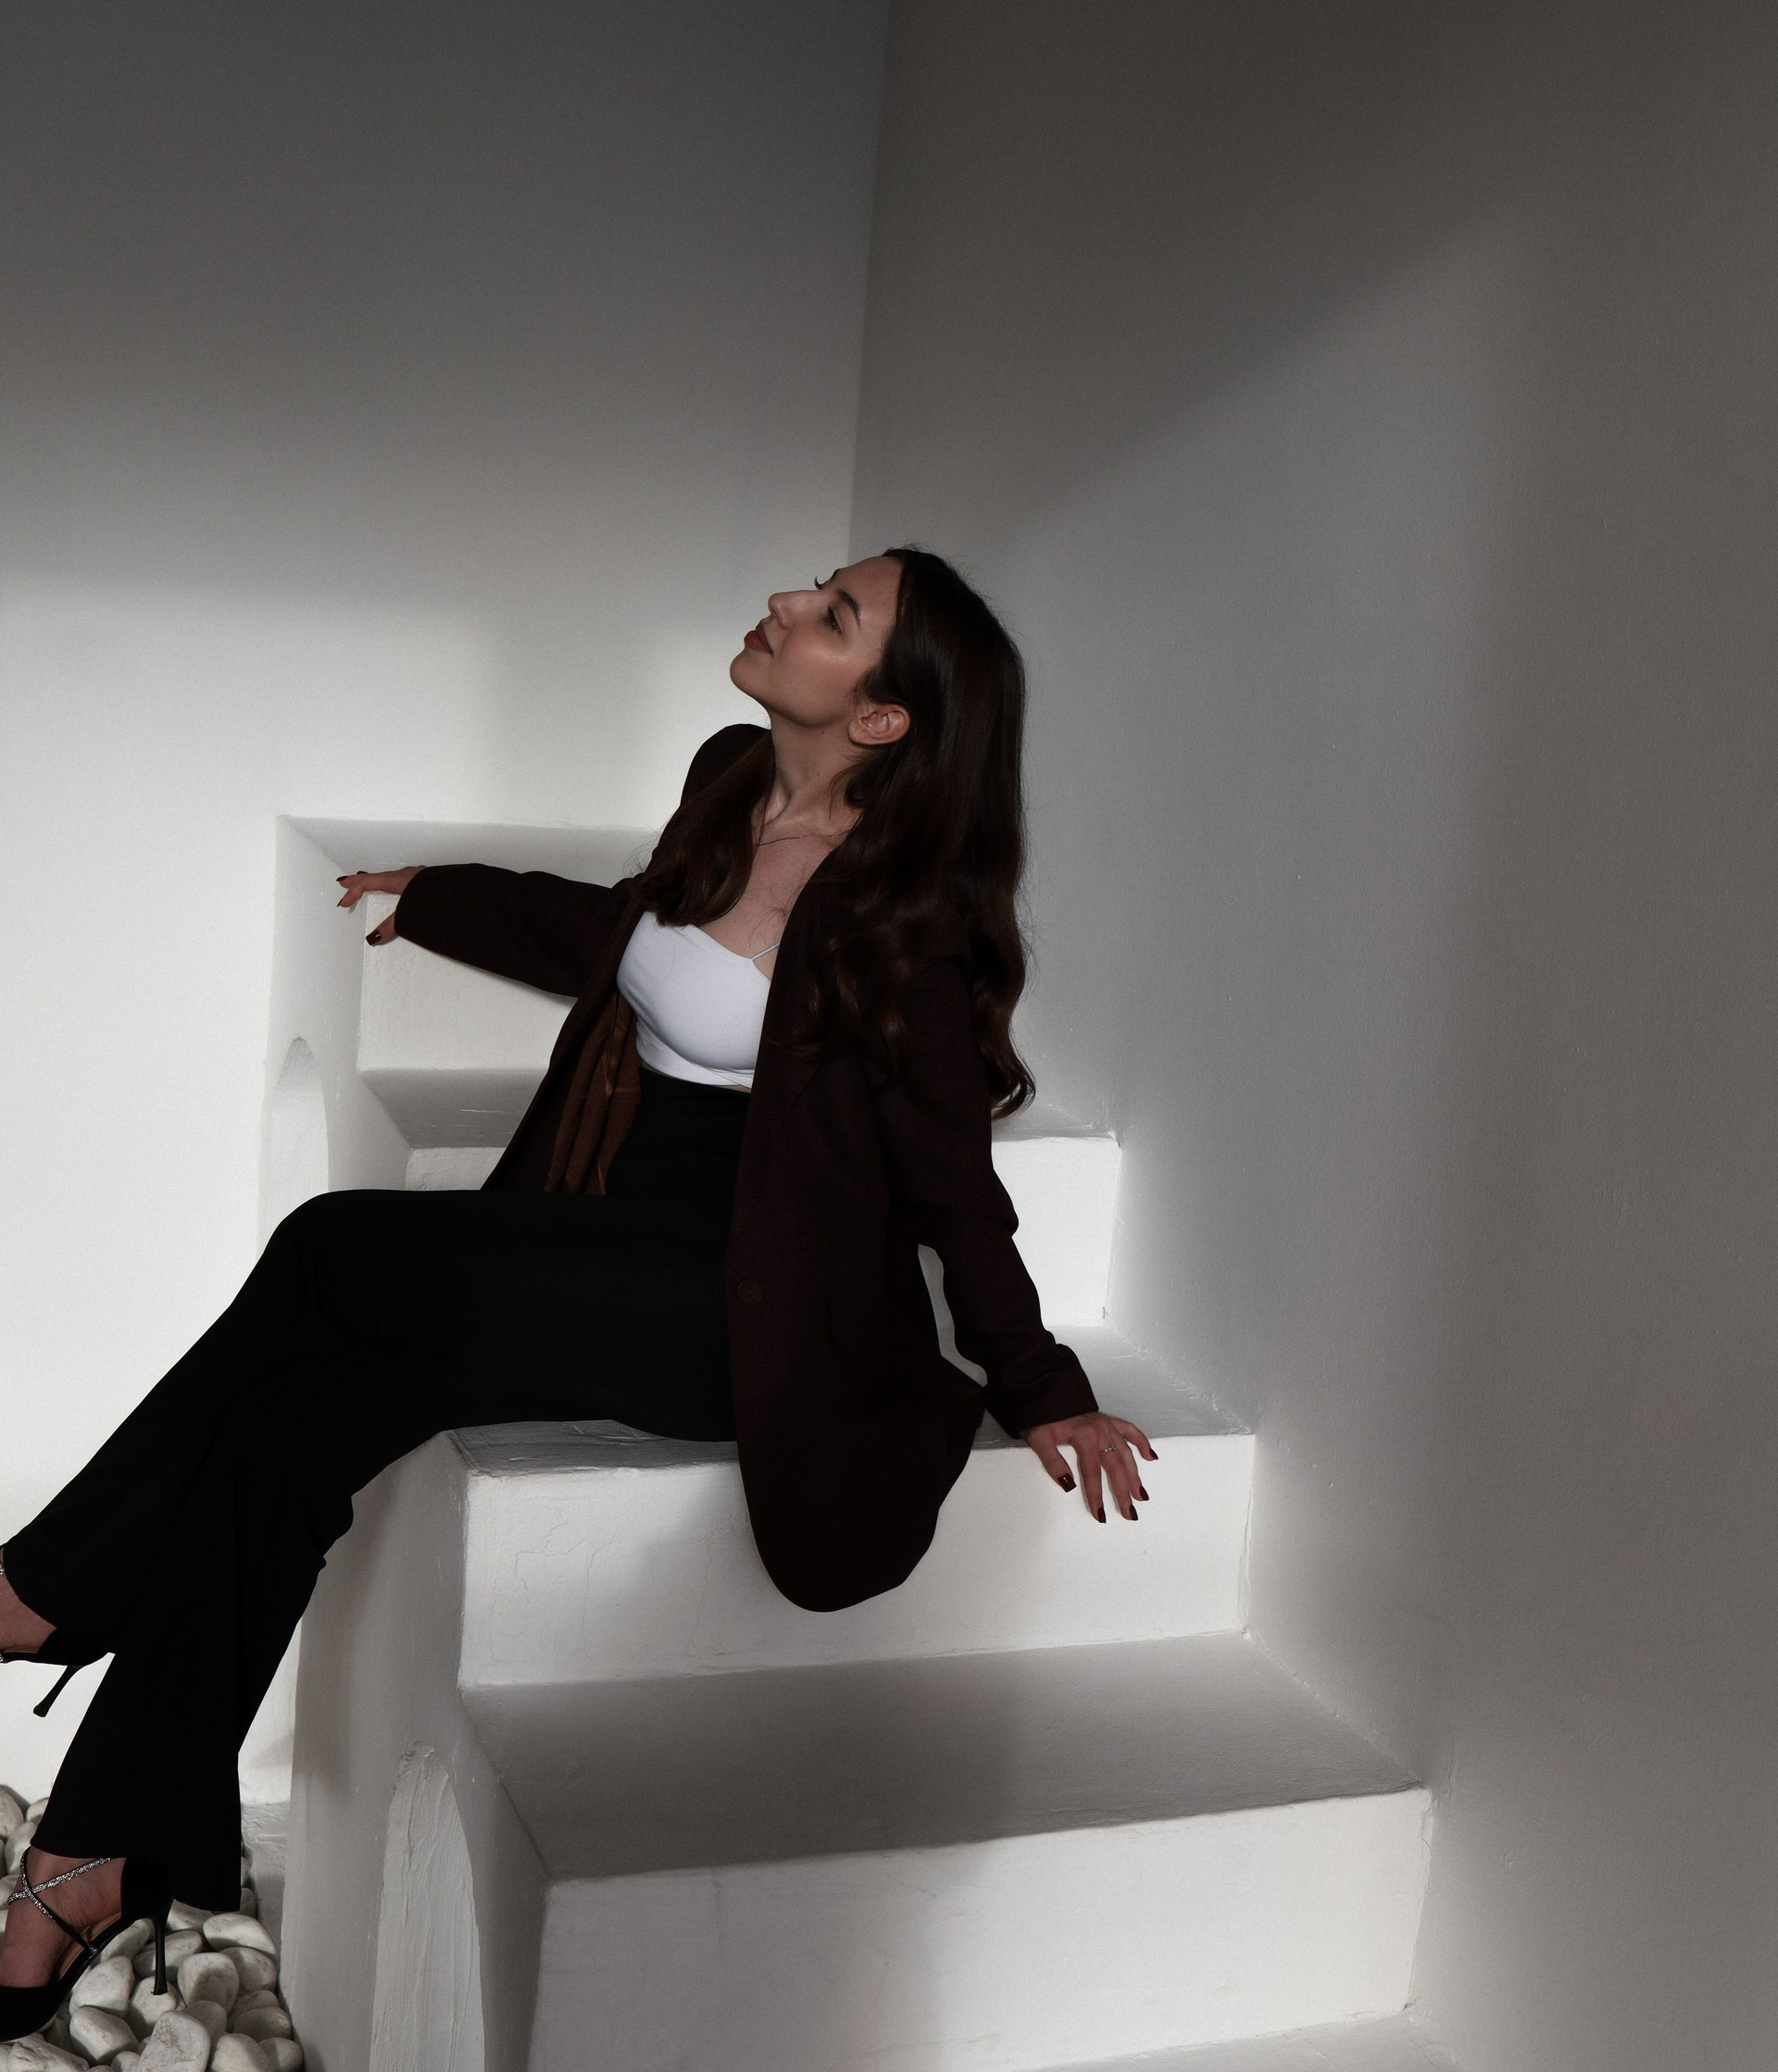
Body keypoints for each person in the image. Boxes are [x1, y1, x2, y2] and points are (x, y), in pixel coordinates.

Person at [0, 545, 1155, 2035]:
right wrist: (442, 898)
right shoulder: (732, 776)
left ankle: (41, 1592)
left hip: (733, 1312)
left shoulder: (902, 925)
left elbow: (953, 1188)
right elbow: (620, 929)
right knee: (289, 1426)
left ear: (881, 717)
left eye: (834, 616)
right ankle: (90, 1857)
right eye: (816, 587)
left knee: (334, 1249)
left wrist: (1044, 1386)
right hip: (605, 1241)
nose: (788, 604)